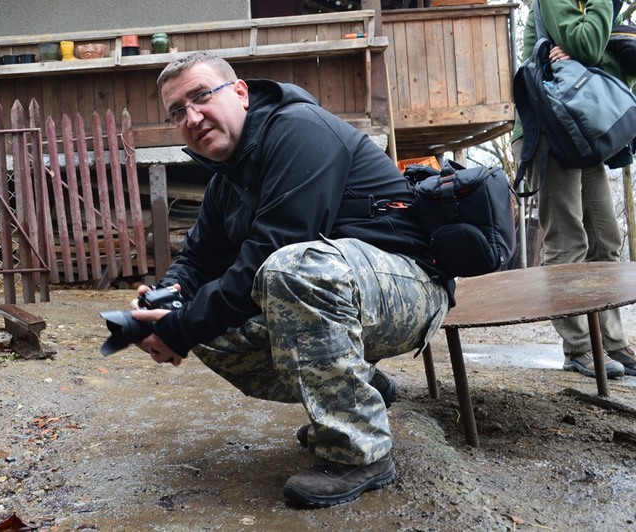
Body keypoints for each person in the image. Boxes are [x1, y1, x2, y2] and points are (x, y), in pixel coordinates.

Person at [130, 50, 453, 508]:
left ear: (240, 92)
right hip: (346, 291)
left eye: (201, 96)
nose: (192, 117)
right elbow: (199, 259)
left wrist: (180, 329)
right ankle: (360, 390)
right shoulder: (226, 180)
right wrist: (166, 303)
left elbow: (274, 249)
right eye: (177, 111)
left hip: (411, 286)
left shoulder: (299, 130)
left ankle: (358, 454)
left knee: (289, 268)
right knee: (206, 321)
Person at [512, 0, 636, 379]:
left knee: (606, 239)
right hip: (549, 129)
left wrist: (591, 49)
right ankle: (579, 348)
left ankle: (612, 342)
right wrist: (597, 19)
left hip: (579, 130)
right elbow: (588, 45)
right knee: (567, 241)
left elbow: (603, 58)